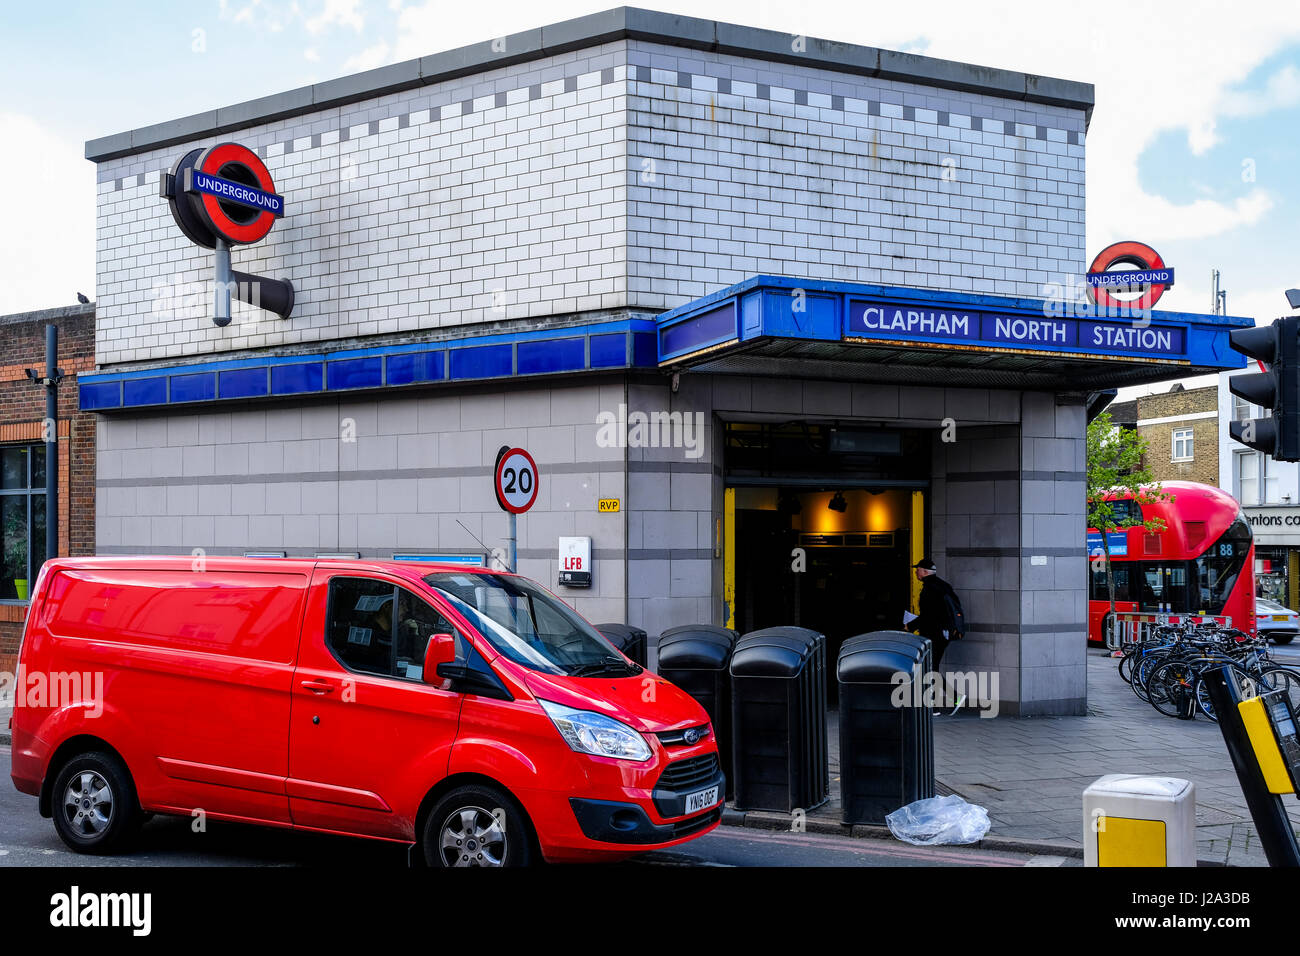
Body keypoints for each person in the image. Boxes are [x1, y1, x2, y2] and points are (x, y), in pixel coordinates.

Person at [908, 557, 965, 715]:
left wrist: (910, 626)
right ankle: (937, 704)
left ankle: (940, 703)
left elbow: (928, 616)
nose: (915, 572)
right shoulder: (943, 586)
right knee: (931, 668)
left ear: (925, 572)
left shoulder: (929, 589)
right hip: (943, 634)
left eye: (917, 569)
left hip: (934, 635)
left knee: (930, 669)